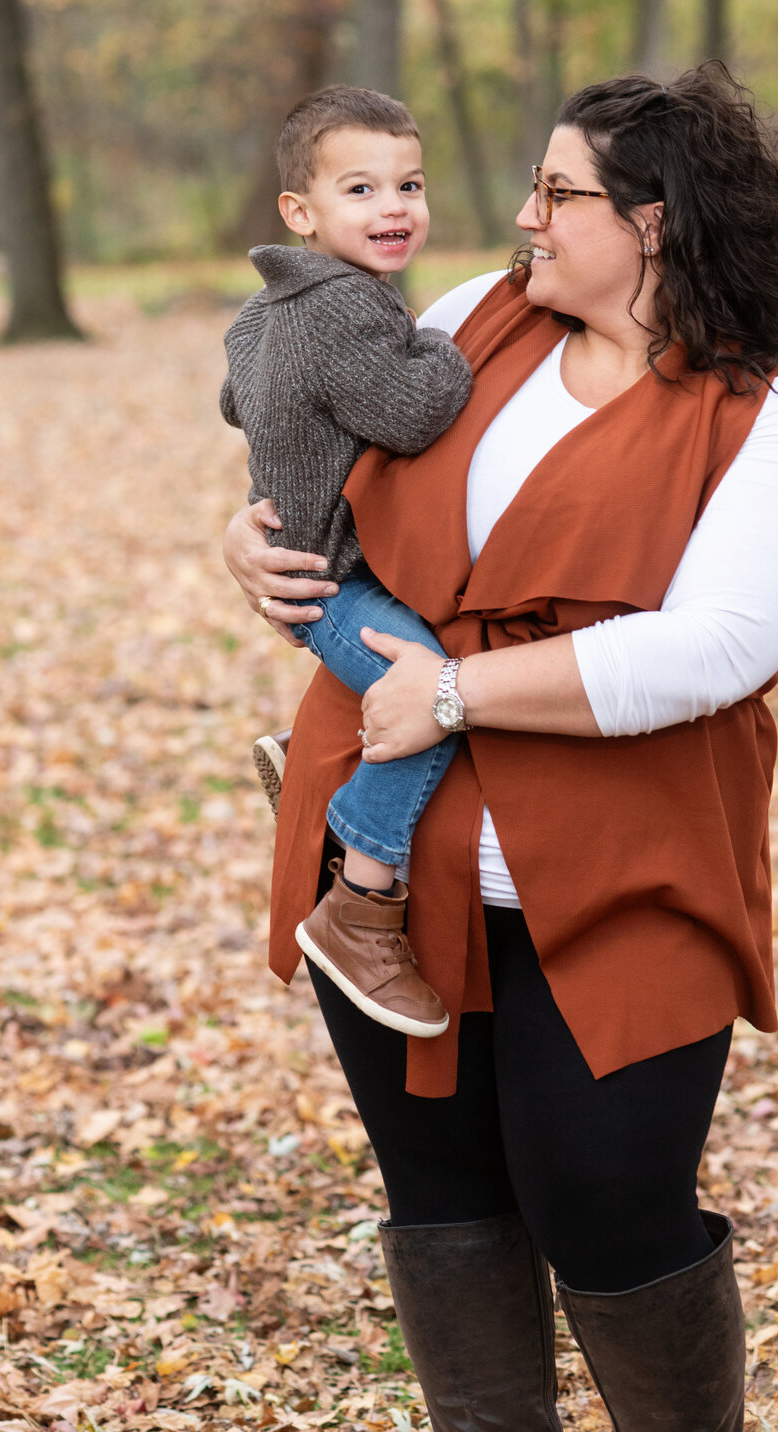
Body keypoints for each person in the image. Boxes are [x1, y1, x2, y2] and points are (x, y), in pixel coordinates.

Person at [223, 66, 778, 1431]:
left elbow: (713, 651)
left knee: (611, 1210)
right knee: (444, 1202)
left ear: (657, 221)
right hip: (386, 884)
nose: (520, 215)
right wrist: (252, 538)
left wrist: (456, 694)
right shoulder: (471, 324)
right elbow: (307, 440)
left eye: (557, 192)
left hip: (624, 877)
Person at [220, 85, 473, 1040]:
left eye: (409, 183)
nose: (394, 207)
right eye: (361, 189)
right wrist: (445, 348)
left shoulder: (265, 311)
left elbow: (234, 400)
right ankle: (361, 907)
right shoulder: (349, 313)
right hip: (335, 586)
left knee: (423, 682)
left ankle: (316, 773)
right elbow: (416, 411)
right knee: (434, 697)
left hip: (308, 568)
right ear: (302, 211)